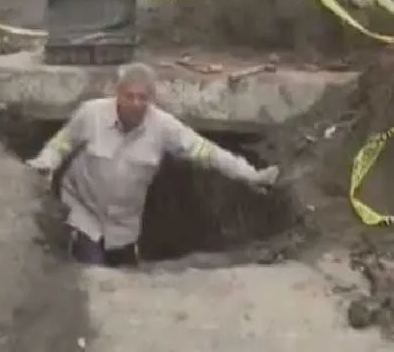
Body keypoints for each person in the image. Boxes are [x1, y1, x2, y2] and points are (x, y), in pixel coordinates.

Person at [27, 62, 280, 267]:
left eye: (143, 98)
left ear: (152, 99)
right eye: (130, 96)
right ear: (118, 94)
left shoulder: (164, 127)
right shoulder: (91, 114)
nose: (136, 104)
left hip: (124, 229)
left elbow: (206, 152)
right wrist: (43, 165)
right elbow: (61, 144)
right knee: (93, 276)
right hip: (83, 214)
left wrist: (250, 175)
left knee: (125, 285)